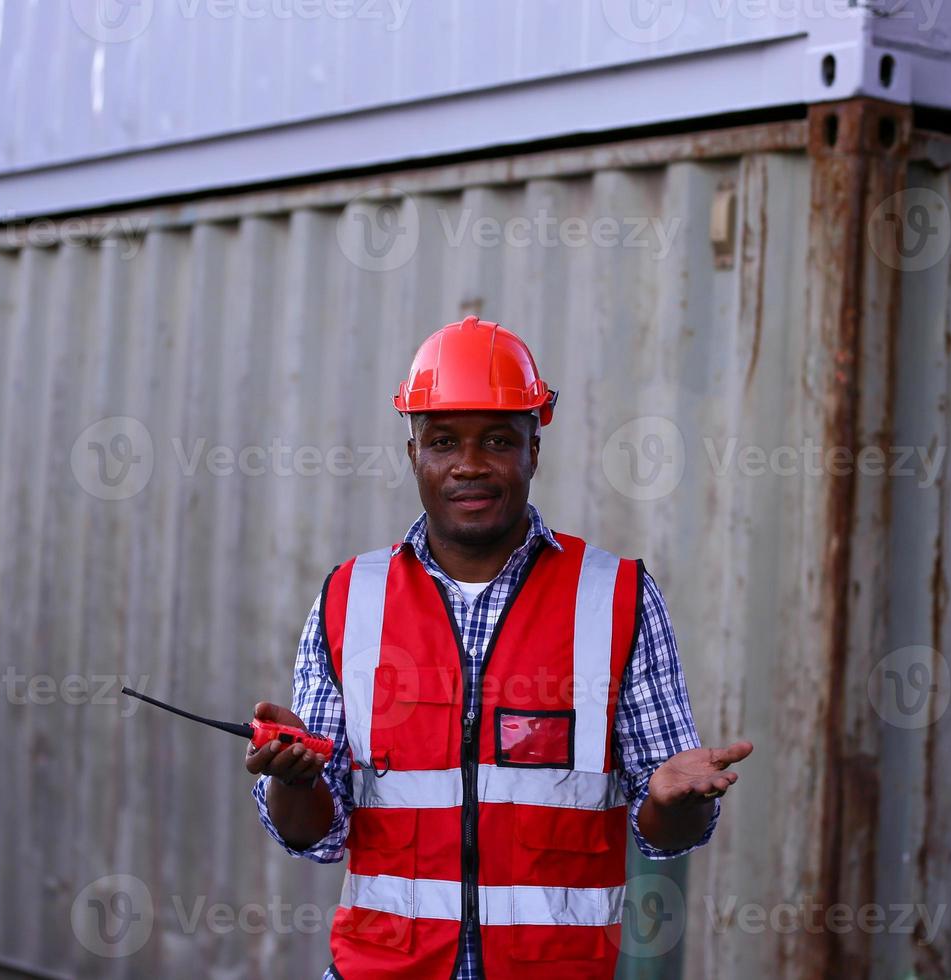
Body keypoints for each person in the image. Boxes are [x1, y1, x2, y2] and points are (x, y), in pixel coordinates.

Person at [245, 315, 753, 978]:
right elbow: (314, 832)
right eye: (444, 441)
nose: (469, 465)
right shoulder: (350, 598)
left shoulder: (616, 597)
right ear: (413, 454)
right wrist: (295, 777)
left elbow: (667, 834)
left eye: (498, 440)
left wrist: (671, 803)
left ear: (534, 451)